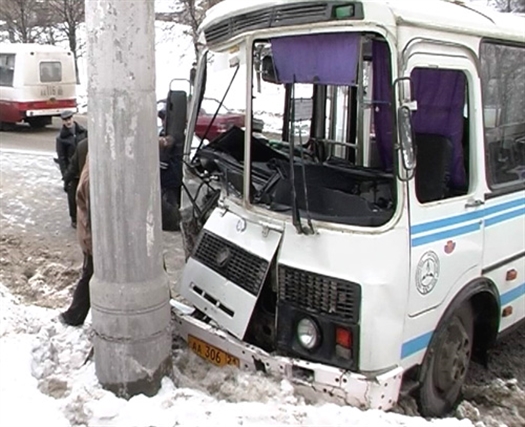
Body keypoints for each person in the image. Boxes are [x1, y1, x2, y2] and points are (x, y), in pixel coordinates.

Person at [59, 154, 93, 326]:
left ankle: (73, 316)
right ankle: (73, 316)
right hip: (91, 237)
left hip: (90, 234)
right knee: (89, 274)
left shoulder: (93, 164)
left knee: (90, 273)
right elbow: (94, 213)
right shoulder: (92, 179)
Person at [56, 110, 87, 228]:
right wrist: (65, 175)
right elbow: (62, 158)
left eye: (69, 119)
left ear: (73, 119)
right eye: (65, 120)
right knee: (72, 195)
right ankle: (74, 218)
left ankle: (85, 217)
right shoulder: (61, 139)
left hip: (83, 167)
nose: (68, 122)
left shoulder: (83, 132)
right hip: (72, 171)